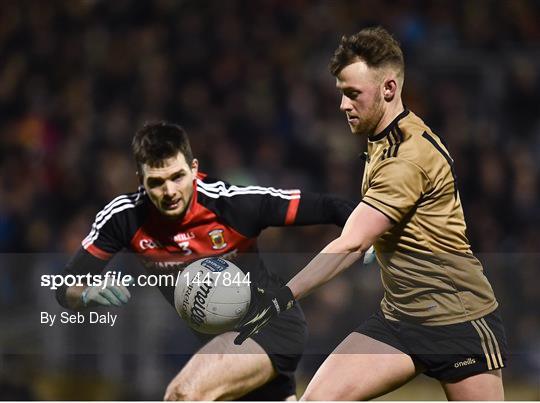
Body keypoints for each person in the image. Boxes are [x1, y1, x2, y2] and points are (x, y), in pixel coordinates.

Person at [235, 26, 508, 401]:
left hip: (457, 319)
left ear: (389, 89)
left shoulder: (408, 158)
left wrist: (282, 296)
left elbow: (350, 244)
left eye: (352, 95)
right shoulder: (383, 137)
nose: (343, 105)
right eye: (341, 94)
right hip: (400, 318)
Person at [55, 121, 355, 401]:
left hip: (271, 327)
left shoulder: (231, 204)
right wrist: (85, 294)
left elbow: (331, 206)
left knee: (183, 394)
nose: (170, 191)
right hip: (220, 340)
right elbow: (63, 287)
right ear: (140, 180)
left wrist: (363, 233)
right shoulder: (123, 218)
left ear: (194, 168)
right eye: (157, 182)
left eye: (177, 177)